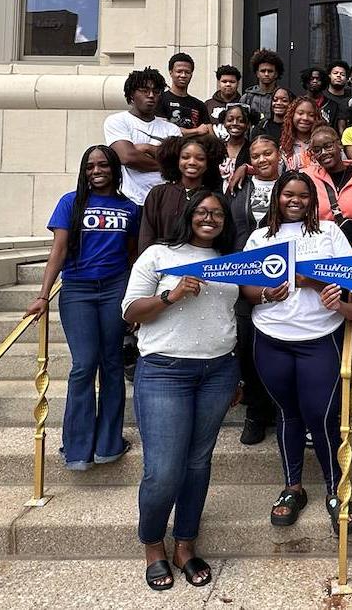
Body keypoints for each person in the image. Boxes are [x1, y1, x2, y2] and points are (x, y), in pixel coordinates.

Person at [122, 189, 242, 591]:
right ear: (190, 215)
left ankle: (185, 545)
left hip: (218, 371)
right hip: (164, 371)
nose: (210, 218)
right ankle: (153, 545)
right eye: (203, 212)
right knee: (163, 470)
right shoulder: (158, 255)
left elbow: (234, 312)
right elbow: (130, 311)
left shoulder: (231, 262)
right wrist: (170, 296)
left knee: (197, 464)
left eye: (218, 214)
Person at [239, 172, 352, 537]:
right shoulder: (261, 236)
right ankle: (293, 487)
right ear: (276, 197)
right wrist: (263, 294)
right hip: (271, 338)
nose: (295, 201)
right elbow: (245, 284)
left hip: (319, 337)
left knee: (321, 417)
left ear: (313, 200)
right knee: (287, 414)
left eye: (303, 196)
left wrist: (309, 280)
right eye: (288, 194)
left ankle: (336, 490)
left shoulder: (329, 233)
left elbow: (351, 279)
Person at [27, 145, 138, 471]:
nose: (96, 171)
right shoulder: (70, 203)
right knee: (84, 365)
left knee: (113, 363)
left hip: (115, 288)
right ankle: (77, 449)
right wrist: (43, 295)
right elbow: (58, 251)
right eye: (90, 166)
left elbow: (131, 256)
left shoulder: (129, 208)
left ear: (114, 168)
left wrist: (133, 297)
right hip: (78, 290)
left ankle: (109, 444)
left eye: (103, 165)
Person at [227, 134, 282, 445]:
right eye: (256, 155)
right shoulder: (239, 187)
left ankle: (279, 407)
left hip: (282, 275)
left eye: (268, 153)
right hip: (245, 274)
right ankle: (256, 411)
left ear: (279, 154)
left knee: (277, 344)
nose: (263, 159)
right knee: (248, 346)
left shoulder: (292, 184)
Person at [104, 68, 182, 205]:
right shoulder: (117, 121)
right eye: (144, 91)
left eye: (156, 92)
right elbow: (128, 157)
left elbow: (179, 161)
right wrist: (166, 165)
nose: (151, 95)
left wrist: (146, 148)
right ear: (132, 94)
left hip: (164, 202)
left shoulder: (172, 129)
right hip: (129, 200)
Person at [138, 135, 223, 253]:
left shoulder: (213, 197)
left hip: (200, 264)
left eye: (200, 158)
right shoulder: (158, 194)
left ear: (208, 163)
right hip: (162, 263)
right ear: (176, 161)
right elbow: (146, 235)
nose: (192, 162)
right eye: (185, 157)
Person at [305, 125, 352, 247]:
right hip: (322, 250)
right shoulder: (308, 178)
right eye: (317, 150)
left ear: (339, 144)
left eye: (328, 146)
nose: (323, 153)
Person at [158, 52, 212, 137]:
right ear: (171, 72)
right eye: (179, 71)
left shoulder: (199, 105)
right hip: (169, 148)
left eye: (187, 72)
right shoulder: (160, 100)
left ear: (191, 74)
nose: (183, 75)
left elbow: (209, 133)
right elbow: (163, 130)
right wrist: (196, 131)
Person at [240, 48, 284, 122]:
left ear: (276, 74)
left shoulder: (283, 98)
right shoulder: (247, 98)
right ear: (257, 73)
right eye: (263, 71)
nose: (266, 74)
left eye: (270, 71)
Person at [280, 96, 321, 170]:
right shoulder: (285, 146)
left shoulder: (324, 142)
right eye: (300, 113)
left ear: (316, 118)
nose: (305, 118)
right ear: (292, 115)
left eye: (311, 115)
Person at [217, 103, 252, 186]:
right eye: (230, 120)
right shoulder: (217, 147)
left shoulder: (252, 149)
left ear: (248, 125)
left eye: (241, 121)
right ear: (224, 123)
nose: (235, 123)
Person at [323, 60, 351, 131]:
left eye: (342, 74)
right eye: (335, 73)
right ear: (329, 75)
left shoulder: (350, 99)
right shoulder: (322, 97)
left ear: (347, 79)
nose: (339, 76)